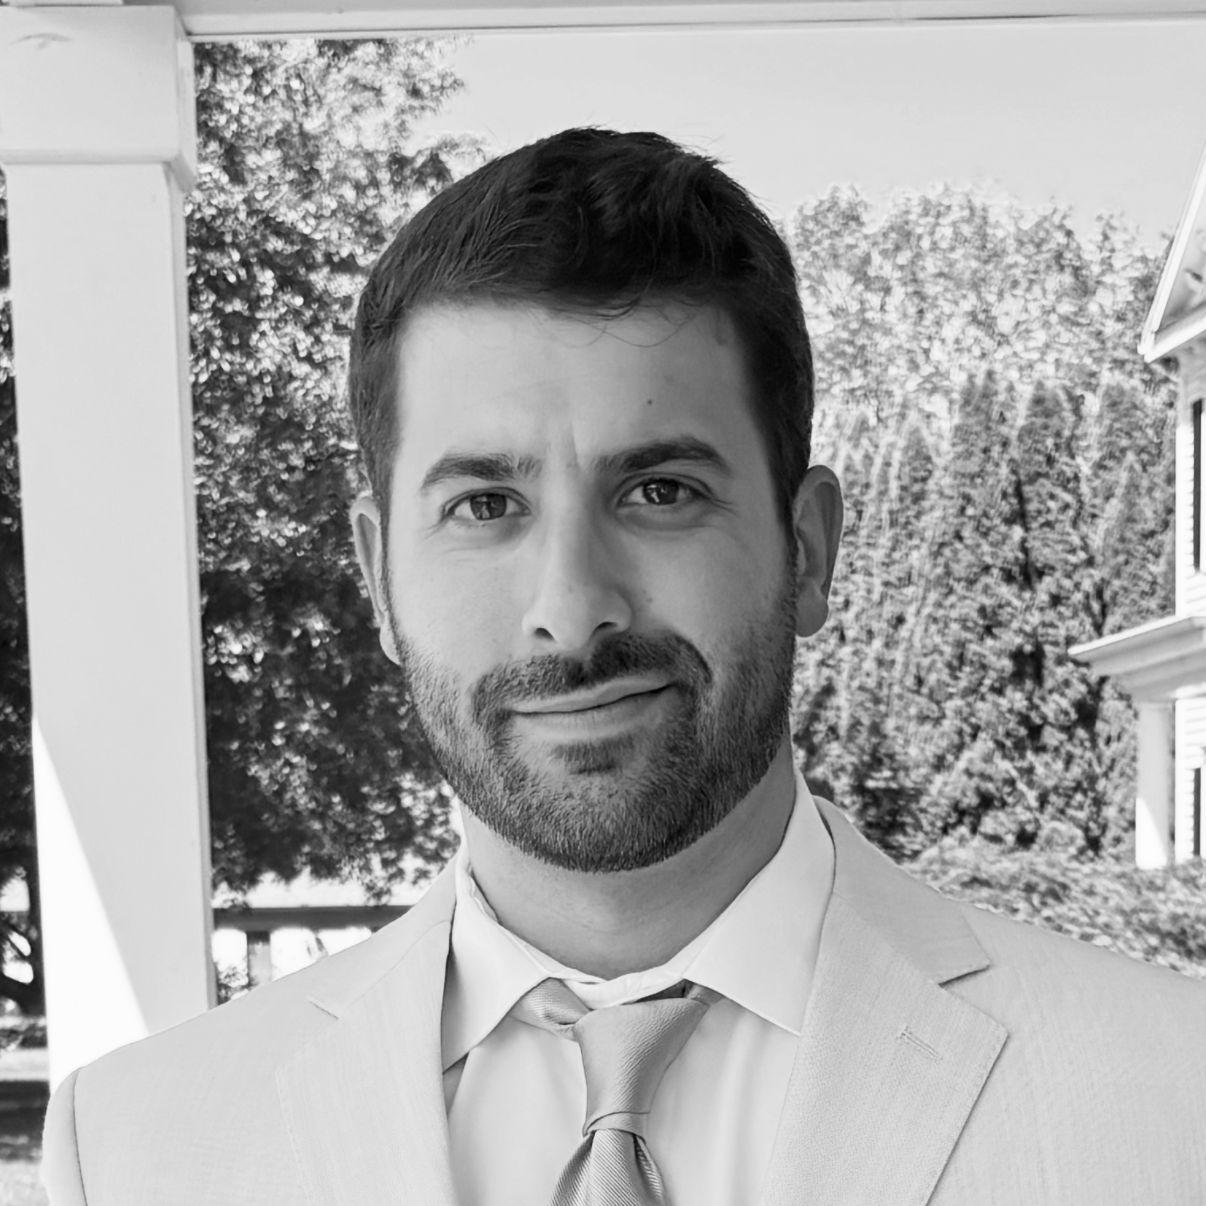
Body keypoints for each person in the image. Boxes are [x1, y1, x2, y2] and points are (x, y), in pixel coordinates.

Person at [41, 127, 1206, 1206]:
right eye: (485, 504)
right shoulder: (139, 1147)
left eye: (659, 491)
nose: (572, 609)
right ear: (378, 574)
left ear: (807, 550)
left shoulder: (1172, 1098)